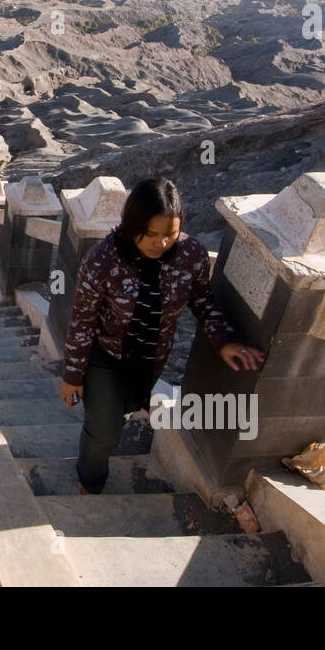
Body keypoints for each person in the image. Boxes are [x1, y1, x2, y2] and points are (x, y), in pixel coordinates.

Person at [59, 178, 265, 495]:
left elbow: (202, 299)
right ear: (132, 226)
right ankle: (90, 481)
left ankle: (107, 421)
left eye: (169, 234)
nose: (160, 244)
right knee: (104, 432)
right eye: (150, 234)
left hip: (149, 360)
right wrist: (72, 374)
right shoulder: (103, 260)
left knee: (122, 412)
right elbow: (82, 319)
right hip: (105, 356)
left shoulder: (190, 254)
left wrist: (224, 340)